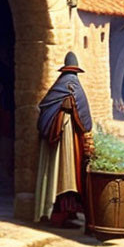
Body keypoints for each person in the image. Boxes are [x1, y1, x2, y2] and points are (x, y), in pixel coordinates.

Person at [34, 52, 93, 228]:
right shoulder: (73, 85)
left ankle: (65, 212)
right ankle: (62, 214)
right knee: (67, 174)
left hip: (60, 138)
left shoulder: (56, 88)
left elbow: (44, 109)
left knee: (59, 174)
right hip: (67, 137)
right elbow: (85, 119)